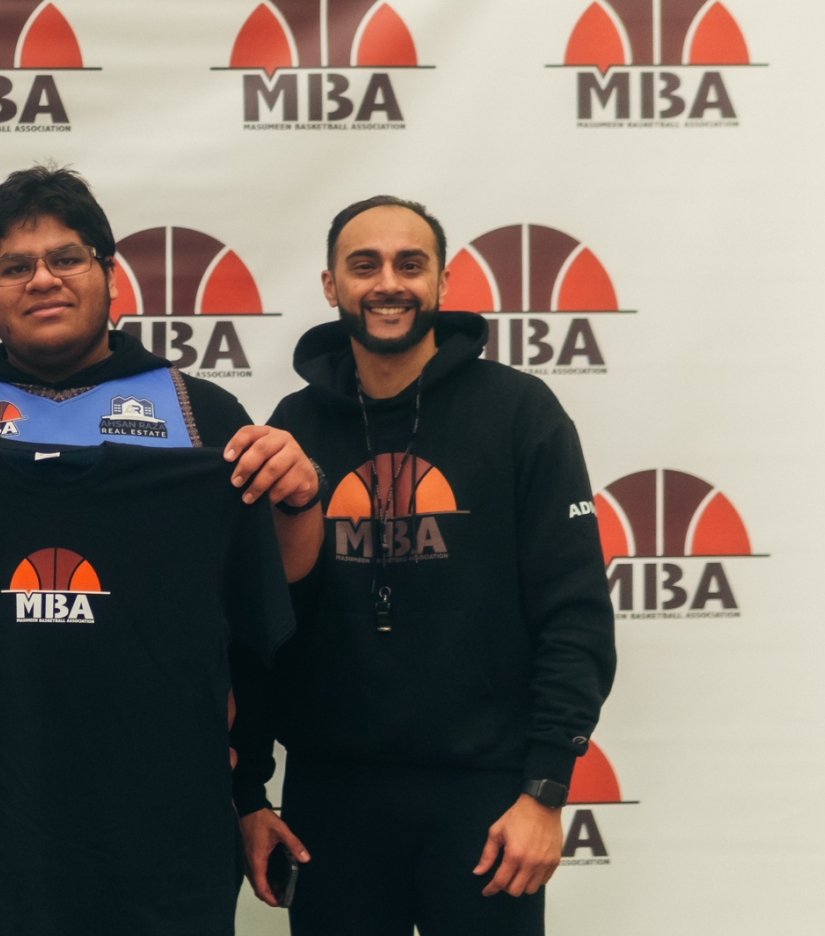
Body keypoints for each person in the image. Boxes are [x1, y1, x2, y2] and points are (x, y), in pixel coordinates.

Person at [232, 196, 617, 934]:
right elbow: (257, 625)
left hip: (486, 799)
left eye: (410, 264)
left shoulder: (520, 412)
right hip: (330, 800)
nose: (388, 283)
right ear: (330, 284)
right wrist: (248, 791)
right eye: (364, 264)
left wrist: (545, 790)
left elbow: (574, 613)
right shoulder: (293, 427)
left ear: (442, 281)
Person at [0, 164, 323, 583]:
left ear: (111, 277)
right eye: (15, 268)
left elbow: (279, 571)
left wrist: (298, 499)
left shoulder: (204, 413)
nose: (43, 280)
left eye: (66, 259)